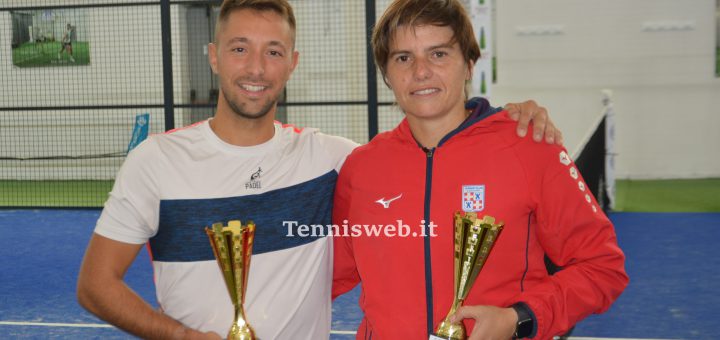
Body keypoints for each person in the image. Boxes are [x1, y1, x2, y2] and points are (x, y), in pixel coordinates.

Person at [76, 0, 561, 339]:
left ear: (292, 64)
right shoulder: (155, 162)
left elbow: (423, 154)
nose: (256, 68)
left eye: (273, 52)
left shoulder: (337, 159)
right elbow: (96, 286)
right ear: (214, 57)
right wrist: (182, 337)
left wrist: (505, 122)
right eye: (239, 48)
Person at [331, 0, 629, 339]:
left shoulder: (528, 147)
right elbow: (329, 272)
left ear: (470, 64)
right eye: (403, 57)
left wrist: (519, 318)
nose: (421, 71)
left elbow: (602, 267)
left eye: (439, 54)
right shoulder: (362, 168)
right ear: (386, 73)